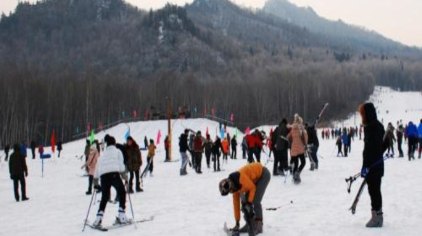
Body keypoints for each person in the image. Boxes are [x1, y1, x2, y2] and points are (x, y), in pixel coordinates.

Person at [219, 162, 271, 235]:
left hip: (263, 174)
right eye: (229, 192)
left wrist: (249, 203)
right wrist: (237, 222)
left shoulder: (240, 179)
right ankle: (249, 224)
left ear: (230, 185)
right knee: (244, 204)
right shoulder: (234, 187)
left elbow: (252, 188)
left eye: (229, 191)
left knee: (255, 200)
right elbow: (236, 205)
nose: (230, 192)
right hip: (253, 180)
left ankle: (258, 226)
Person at [358, 102, 388, 228]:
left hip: (373, 166)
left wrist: (365, 166)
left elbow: (368, 150)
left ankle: (377, 218)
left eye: (362, 114)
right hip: (377, 164)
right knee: (375, 190)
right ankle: (378, 215)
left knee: (374, 190)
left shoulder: (371, 127)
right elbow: (384, 144)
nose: (361, 117)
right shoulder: (379, 125)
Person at [93, 135, 128, 227]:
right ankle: (122, 215)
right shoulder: (118, 151)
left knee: (104, 197)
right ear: (114, 143)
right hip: (114, 175)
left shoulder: (103, 155)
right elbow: (121, 166)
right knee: (122, 192)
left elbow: (97, 168)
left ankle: (98, 219)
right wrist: (125, 177)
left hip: (103, 177)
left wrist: (95, 182)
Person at [287, 114, 308, 184]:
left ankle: (294, 176)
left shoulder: (292, 128)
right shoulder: (301, 128)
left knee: (296, 163)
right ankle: (297, 173)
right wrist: (306, 145)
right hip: (300, 148)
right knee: (303, 162)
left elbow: (288, 137)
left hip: (293, 148)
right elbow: (305, 138)